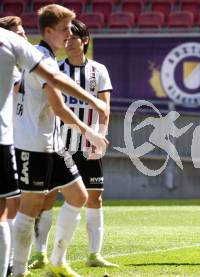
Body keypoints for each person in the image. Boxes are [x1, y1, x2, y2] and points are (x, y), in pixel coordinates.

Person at [11, 4, 109, 277]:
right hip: (33, 145)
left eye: (71, 29)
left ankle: (57, 261)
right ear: (48, 31)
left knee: (79, 195)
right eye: (65, 29)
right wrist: (88, 130)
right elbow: (59, 107)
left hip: (52, 144)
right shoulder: (41, 58)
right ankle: (17, 269)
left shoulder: (45, 57)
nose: (69, 34)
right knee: (28, 209)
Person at [29, 19, 118, 269]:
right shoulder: (55, 69)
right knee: (48, 197)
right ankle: (40, 253)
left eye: (74, 38)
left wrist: (100, 137)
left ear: (84, 41)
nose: (69, 42)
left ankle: (94, 254)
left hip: (88, 146)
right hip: (60, 145)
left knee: (95, 197)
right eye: (66, 38)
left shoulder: (98, 70)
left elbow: (105, 107)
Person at [0, 15, 28, 276]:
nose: (24, 38)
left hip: (12, 138)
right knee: (14, 203)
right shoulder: (14, 65)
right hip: (7, 140)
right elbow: (24, 90)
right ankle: (7, 265)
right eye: (18, 34)